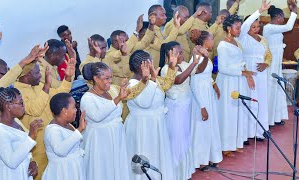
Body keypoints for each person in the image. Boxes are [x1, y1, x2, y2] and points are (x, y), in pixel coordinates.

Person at [0, 42, 43, 174]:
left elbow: (17, 74)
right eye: (4, 73)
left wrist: (32, 59)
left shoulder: (15, 120)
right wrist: (24, 60)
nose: (7, 75)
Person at [80, 61, 150, 180]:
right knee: (104, 169)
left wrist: (144, 79)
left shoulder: (112, 90)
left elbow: (131, 93)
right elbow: (97, 116)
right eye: (106, 78)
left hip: (116, 135)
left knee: (117, 166)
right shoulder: (87, 98)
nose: (110, 81)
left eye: (111, 78)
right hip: (100, 140)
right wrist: (118, 98)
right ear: (96, 78)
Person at [15, 57, 76, 180]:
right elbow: (35, 109)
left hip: (53, 138)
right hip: (37, 144)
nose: (40, 76)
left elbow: (59, 94)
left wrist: (68, 77)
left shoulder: (39, 86)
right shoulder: (17, 93)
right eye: (37, 73)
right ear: (26, 75)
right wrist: (47, 86)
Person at [124, 49, 177, 180]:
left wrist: (171, 67)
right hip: (142, 127)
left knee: (158, 156)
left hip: (155, 124)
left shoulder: (151, 80)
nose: (153, 64)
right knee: (146, 155)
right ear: (145, 65)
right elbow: (145, 102)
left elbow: (165, 86)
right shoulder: (133, 84)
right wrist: (149, 79)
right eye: (151, 62)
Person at [160, 42, 206, 179]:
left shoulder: (185, 65)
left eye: (181, 52)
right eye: (178, 52)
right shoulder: (165, 69)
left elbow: (199, 70)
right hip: (174, 108)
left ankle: (184, 172)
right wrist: (193, 62)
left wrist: (199, 58)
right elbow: (179, 80)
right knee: (176, 140)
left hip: (185, 106)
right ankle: (174, 174)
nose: (181, 55)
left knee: (184, 138)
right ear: (169, 55)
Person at [216, 13, 257, 157]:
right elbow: (223, 68)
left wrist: (246, 73)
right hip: (227, 81)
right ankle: (225, 146)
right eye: (237, 28)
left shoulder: (236, 42)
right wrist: (243, 73)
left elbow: (240, 61)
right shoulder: (223, 45)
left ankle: (234, 143)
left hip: (236, 80)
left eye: (240, 28)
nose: (240, 30)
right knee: (227, 113)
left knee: (236, 112)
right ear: (228, 28)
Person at [0, 87, 43, 180]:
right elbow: (11, 162)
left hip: (20, 174)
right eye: (21, 103)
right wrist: (31, 136)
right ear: (8, 106)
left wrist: (32, 161)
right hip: (7, 175)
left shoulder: (15, 121)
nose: (24, 106)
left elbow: (22, 148)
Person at [189, 30, 223, 171]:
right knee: (201, 128)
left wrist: (214, 85)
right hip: (200, 97)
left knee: (210, 126)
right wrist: (202, 106)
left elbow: (206, 75)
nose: (213, 41)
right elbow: (196, 77)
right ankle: (200, 161)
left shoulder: (205, 56)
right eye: (211, 39)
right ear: (205, 41)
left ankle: (210, 156)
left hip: (207, 93)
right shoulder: (196, 56)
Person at [238, 4, 272, 141]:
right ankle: (246, 134)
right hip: (249, 72)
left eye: (258, 27)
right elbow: (245, 25)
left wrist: (266, 64)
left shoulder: (263, 39)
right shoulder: (243, 37)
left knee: (261, 101)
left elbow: (269, 55)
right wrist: (259, 11)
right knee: (249, 99)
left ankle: (260, 131)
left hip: (261, 74)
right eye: (253, 27)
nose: (256, 29)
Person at [263, 2, 298, 125]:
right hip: (270, 64)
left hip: (277, 63)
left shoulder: (276, 29)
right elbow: (288, 27)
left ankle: (276, 117)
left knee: (277, 89)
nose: (283, 20)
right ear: (278, 17)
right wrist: (294, 11)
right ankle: (267, 119)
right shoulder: (269, 27)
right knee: (271, 90)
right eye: (283, 17)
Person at [42, 93, 86, 180]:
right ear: (64, 111)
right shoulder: (52, 130)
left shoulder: (67, 124)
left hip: (72, 170)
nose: (76, 110)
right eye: (74, 107)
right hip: (62, 173)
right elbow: (61, 150)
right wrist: (80, 129)